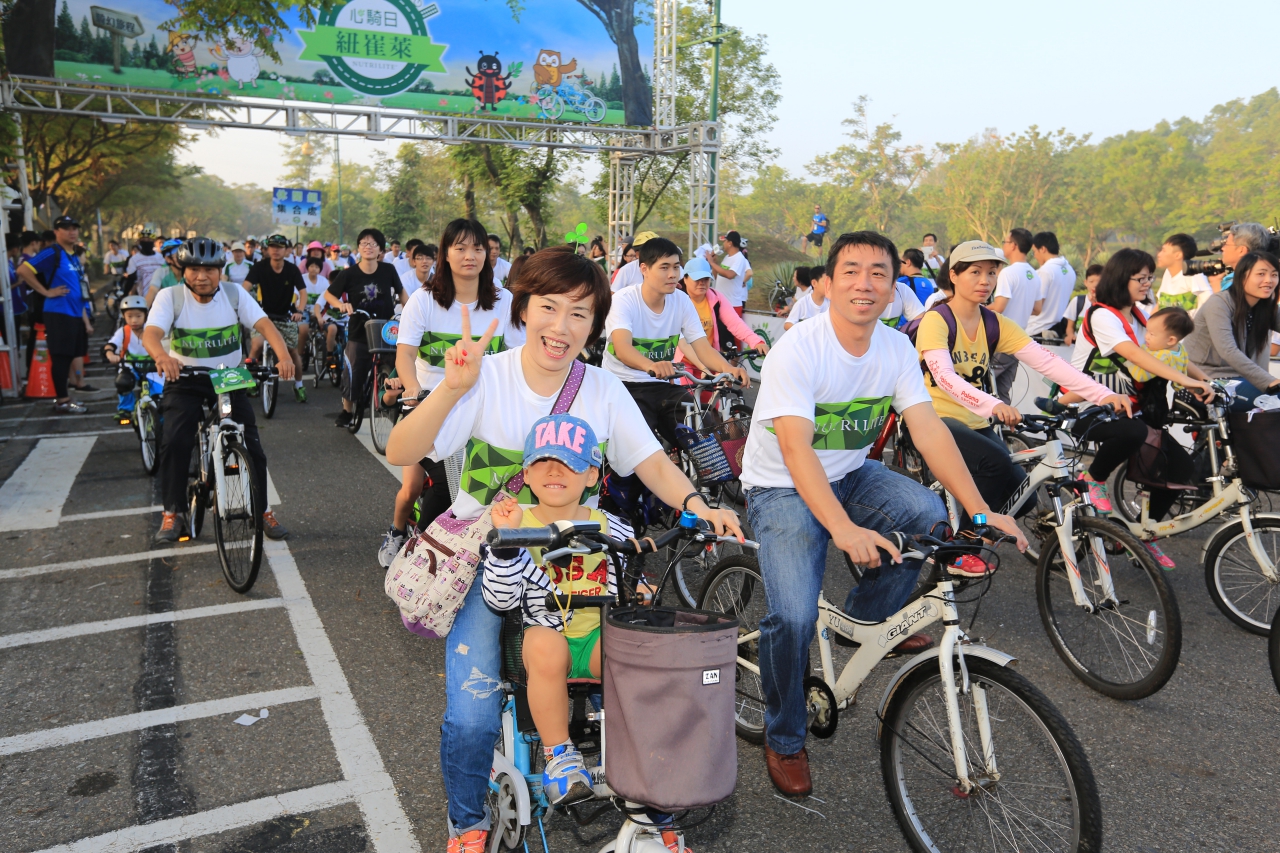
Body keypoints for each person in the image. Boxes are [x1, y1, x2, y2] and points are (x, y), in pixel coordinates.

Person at [384, 247, 742, 853]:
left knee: (642, 680)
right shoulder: (485, 376)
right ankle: (466, 823)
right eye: (549, 308)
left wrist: (698, 505)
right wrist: (449, 389)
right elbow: (401, 450)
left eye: (580, 313)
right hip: (489, 561)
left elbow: (650, 461)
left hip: (581, 563)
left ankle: (654, 810)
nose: (562, 326)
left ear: (595, 323)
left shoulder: (602, 388)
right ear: (523, 309)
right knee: (472, 710)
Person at [739, 231, 1025, 798]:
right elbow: (795, 450)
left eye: (878, 273)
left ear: (895, 289)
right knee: (793, 618)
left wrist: (979, 510)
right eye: (850, 271)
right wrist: (843, 529)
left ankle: (865, 623)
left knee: (926, 513)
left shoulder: (894, 348)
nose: (864, 284)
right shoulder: (797, 349)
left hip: (851, 474)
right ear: (826, 284)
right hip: (782, 486)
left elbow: (928, 429)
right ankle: (785, 735)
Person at [916, 242, 1131, 549]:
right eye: (975, 272)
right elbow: (944, 377)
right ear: (953, 275)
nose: (985, 281)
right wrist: (994, 404)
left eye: (992, 273)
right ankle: (962, 548)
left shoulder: (994, 323)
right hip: (933, 417)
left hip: (974, 420)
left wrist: (1103, 394)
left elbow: (1047, 361)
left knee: (1023, 495)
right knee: (994, 464)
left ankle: (976, 528)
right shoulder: (937, 320)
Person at [482, 413, 628, 807]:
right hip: (542, 640)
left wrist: (639, 586)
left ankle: (632, 743)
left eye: (568, 463)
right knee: (546, 646)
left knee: (634, 648)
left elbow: (624, 583)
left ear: (592, 475)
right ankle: (559, 754)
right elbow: (500, 600)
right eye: (542, 461)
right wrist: (508, 543)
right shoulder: (514, 522)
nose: (554, 470)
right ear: (526, 474)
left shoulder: (613, 527)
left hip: (597, 636)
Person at [379, 218, 519, 567]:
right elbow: (405, 355)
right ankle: (420, 557)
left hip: (486, 412)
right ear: (445, 254)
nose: (470, 255)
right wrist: (413, 388)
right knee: (445, 485)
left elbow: (518, 357)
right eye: (460, 248)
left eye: (477, 248)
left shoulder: (504, 301)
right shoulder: (423, 301)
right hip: (430, 407)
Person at [142, 237, 293, 542]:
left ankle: (263, 510)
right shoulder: (171, 297)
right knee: (175, 442)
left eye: (209, 269)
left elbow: (265, 325)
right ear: (183, 271)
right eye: (194, 269)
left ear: (220, 271)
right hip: (185, 379)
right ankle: (173, 513)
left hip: (229, 377)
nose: (202, 276)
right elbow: (151, 333)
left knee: (252, 446)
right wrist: (161, 357)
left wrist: (284, 356)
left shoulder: (234, 294)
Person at [1069, 248, 1214, 563]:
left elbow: (1170, 351)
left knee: (1182, 469)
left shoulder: (1141, 314)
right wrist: (1186, 381)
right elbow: (1135, 355)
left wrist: (1205, 380)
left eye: (1150, 277)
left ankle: (1141, 536)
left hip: (1130, 410)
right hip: (1090, 406)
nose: (1148, 283)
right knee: (1133, 433)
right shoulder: (1102, 315)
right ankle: (1092, 479)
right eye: (1141, 278)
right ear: (1122, 278)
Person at [601, 237, 749, 450]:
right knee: (638, 450)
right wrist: (651, 365)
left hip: (663, 386)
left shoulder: (681, 300)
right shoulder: (624, 301)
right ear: (644, 269)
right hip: (625, 385)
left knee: (703, 431)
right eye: (664, 267)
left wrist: (728, 368)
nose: (672, 274)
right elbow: (623, 349)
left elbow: (702, 347)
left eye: (676, 267)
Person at [325, 228, 405, 428]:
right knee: (353, 370)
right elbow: (329, 295)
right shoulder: (349, 274)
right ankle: (347, 410)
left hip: (386, 329)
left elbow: (402, 294)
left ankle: (395, 403)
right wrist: (341, 305)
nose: (368, 247)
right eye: (364, 243)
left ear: (380, 250)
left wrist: (412, 314)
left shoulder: (388, 270)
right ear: (358, 248)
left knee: (397, 367)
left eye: (373, 244)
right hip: (359, 329)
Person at [14, 216, 92, 413]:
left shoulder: (72, 254)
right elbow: (23, 270)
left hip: (74, 313)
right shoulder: (52, 252)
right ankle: (62, 400)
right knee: (61, 357)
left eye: (74, 228)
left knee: (70, 355)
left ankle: (65, 396)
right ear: (56, 232)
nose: (72, 232)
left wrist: (84, 317)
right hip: (59, 312)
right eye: (66, 228)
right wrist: (46, 292)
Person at [1184, 250, 1280, 410]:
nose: (1269, 280)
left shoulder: (1265, 305)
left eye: (1274, 275)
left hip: (1243, 377)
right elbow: (1228, 351)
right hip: (1207, 379)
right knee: (1273, 400)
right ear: (1242, 276)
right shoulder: (1219, 303)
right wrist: (1269, 381)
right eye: (1261, 274)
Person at [673, 256, 769, 374]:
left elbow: (735, 323)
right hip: (683, 363)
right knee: (686, 386)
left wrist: (756, 342)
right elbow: (682, 342)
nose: (702, 283)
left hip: (710, 360)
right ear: (685, 279)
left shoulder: (716, 298)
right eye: (697, 279)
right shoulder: (676, 299)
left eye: (706, 279)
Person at [245, 234, 309, 403]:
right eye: (272, 246)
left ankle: (299, 385)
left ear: (287, 250)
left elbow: (303, 293)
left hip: (285, 316)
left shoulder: (292, 269)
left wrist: (300, 310)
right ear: (267, 249)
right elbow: (245, 288)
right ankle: (251, 381)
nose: (275, 250)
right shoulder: (259, 267)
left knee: (292, 352)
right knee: (256, 345)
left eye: (280, 247)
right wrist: (244, 307)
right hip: (262, 316)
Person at [103, 294, 154, 420]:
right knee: (123, 382)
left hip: (152, 367)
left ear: (146, 315)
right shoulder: (123, 331)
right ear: (123, 316)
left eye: (138, 316)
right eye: (129, 316)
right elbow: (111, 345)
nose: (134, 320)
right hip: (131, 366)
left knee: (160, 392)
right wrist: (110, 354)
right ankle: (126, 409)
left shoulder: (152, 330)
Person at [1025, 232, 1076, 339]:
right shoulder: (1069, 270)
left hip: (1037, 329)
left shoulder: (1045, 271)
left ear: (1043, 249)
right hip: (1058, 328)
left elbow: (1037, 305)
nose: (1035, 256)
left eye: (1034, 251)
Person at [1155, 233, 1212, 313]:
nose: (1159, 254)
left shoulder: (1194, 273)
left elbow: (1210, 303)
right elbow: (1160, 304)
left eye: (1164, 251)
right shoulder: (1168, 273)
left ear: (1178, 255)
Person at [1210, 221, 1271, 292]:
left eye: (1226, 244)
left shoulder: (1240, 283)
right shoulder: (1265, 278)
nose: (1222, 248)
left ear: (1241, 250)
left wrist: (1215, 284)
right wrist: (1215, 281)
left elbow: (1227, 299)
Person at [708, 230, 750, 316]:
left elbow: (730, 275)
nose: (723, 244)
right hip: (721, 303)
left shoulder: (739, 258)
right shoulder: (727, 257)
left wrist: (711, 263)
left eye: (725, 241)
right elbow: (717, 277)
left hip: (732, 305)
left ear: (730, 243)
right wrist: (714, 262)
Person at [296, 256, 330, 362]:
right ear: (307, 267)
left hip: (320, 311)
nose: (314, 269)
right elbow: (295, 295)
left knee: (328, 329)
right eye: (311, 266)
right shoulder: (301, 279)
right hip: (303, 310)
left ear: (320, 269)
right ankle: (299, 356)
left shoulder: (324, 281)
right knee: (303, 330)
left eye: (316, 267)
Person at [1062, 264, 1102, 347]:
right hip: (1078, 347)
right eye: (1091, 281)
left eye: (1099, 282)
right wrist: (1070, 335)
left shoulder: (1109, 304)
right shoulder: (1077, 301)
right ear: (1085, 283)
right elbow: (1070, 327)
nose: (1095, 285)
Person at [784, 264, 828, 330]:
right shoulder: (800, 295)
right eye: (825, 282)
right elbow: (788, 323)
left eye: (794, 276)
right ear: (814, 283)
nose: (793, 278)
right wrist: (787, 309)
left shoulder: (832, 303)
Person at [143, 240, 184, 307]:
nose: (182, 258)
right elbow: (152, 291)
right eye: (177, 256)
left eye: (183, 255)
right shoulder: (161, 272)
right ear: (168, 259)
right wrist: (143, 310)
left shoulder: (191, 272)